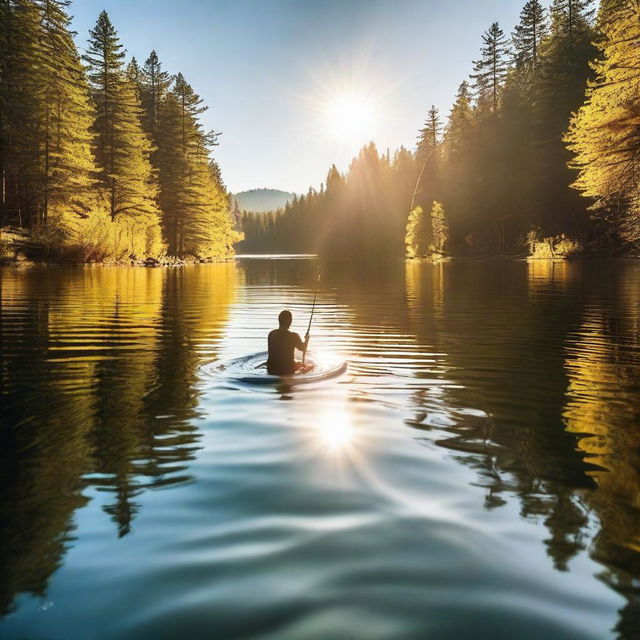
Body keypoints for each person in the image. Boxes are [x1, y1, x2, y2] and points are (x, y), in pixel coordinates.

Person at [267, 310, 311, 375]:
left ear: (279, 320)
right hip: (287, 369)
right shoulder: (293, 336)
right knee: (311, 366)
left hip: (271, 367)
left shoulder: (271, 334)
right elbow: (303, 348)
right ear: (290, 321)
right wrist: (307, 339)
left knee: (297, 363)